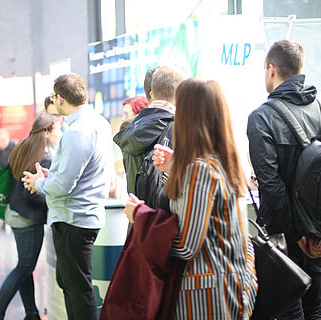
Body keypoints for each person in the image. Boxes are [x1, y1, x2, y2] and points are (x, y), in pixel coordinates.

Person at [125, 78, 257, 319]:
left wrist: (141, 216)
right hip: (231, 285)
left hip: (205, 295)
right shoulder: (227, 162)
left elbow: (186, 245)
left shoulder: (200, 170)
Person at [247, 39, 321, 319]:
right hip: (318, 238)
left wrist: (296, 234)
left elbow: (271, 185)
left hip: (284, 239)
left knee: (287, 312)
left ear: (271, 68)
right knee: (314, 307)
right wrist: (313, 235)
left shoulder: (262, 118)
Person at [21, 73, 113, 320]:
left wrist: (38, 182)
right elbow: (79, 172)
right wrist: (50, 174)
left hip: (74, 219)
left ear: (60, 99)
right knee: (70, 284)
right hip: (81, 216)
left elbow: (63, 185)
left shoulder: (77, 132)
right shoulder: (98, 123)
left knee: (77, 290)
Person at [0, 113, 61, 320]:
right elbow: (36, 193)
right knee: (24, 267)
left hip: (14, 213)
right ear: (46, 132)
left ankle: (31, 313)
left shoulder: (22, 147)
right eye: (56, 129)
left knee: (25, 266)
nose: (59, 134)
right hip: (27, 217)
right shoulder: (43, 157)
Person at [113, 66, 183, 196]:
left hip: (137, 211)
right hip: (166, 213)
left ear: (152, 93)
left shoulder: (129, 127)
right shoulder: (181, 127)